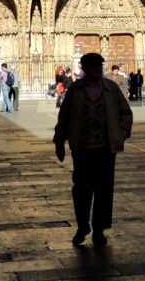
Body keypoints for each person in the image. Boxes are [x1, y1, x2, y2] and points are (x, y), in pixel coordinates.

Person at [54, 52, 133, 246]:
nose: (97, 71)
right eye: (93, 67)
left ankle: (99, 230)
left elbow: (125, 113)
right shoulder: (75, 90)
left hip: (106, 148)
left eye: (99, 67)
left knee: (104, 190)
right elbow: (64, 117)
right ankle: (82, 226)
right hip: (82, 149)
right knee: (81, 189)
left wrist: (121, 134)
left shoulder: (111, 89)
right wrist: (59, 141)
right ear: (85, 69)